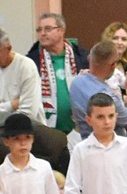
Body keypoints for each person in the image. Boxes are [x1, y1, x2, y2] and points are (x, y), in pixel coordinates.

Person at [0, 26, 66, 165]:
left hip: (31, 134)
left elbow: (28, 113)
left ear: (8, 48)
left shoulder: (26, 66)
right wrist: (11, 105)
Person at [68, 39, 127, 141]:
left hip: (85, 141)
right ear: (113, 65)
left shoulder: (76, 83)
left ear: (89, 58)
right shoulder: (107, 97)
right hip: (111, 146)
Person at [27, 12, 86, 142]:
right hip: (46, 133)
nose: (42, 33)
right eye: (39, 30)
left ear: (61, 31)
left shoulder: (81, 57)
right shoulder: (31, 61)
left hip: (78, 131)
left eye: (47, 29)